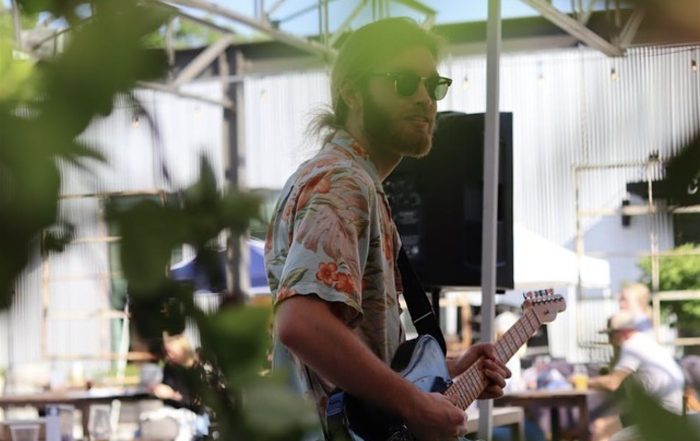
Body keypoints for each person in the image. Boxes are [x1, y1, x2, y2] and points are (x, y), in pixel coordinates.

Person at [264, 17, 511, 441]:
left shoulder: (350, 180)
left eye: (433, 86)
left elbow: (350, 353)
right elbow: (300, 323)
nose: (424, 99)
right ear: (352, 93)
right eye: (404, 82)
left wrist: (445, 373)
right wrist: (414, 404)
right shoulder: (343, 182)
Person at [589, 310, 685, 441]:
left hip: (661, 415)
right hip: (663, 411)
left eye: (611, 334)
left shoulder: (631, 347)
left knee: (609, 434)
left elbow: (612, 383)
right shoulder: (644, 341)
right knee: (601, 426)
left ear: (623, 332)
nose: (610, 339)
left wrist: (584, 382)